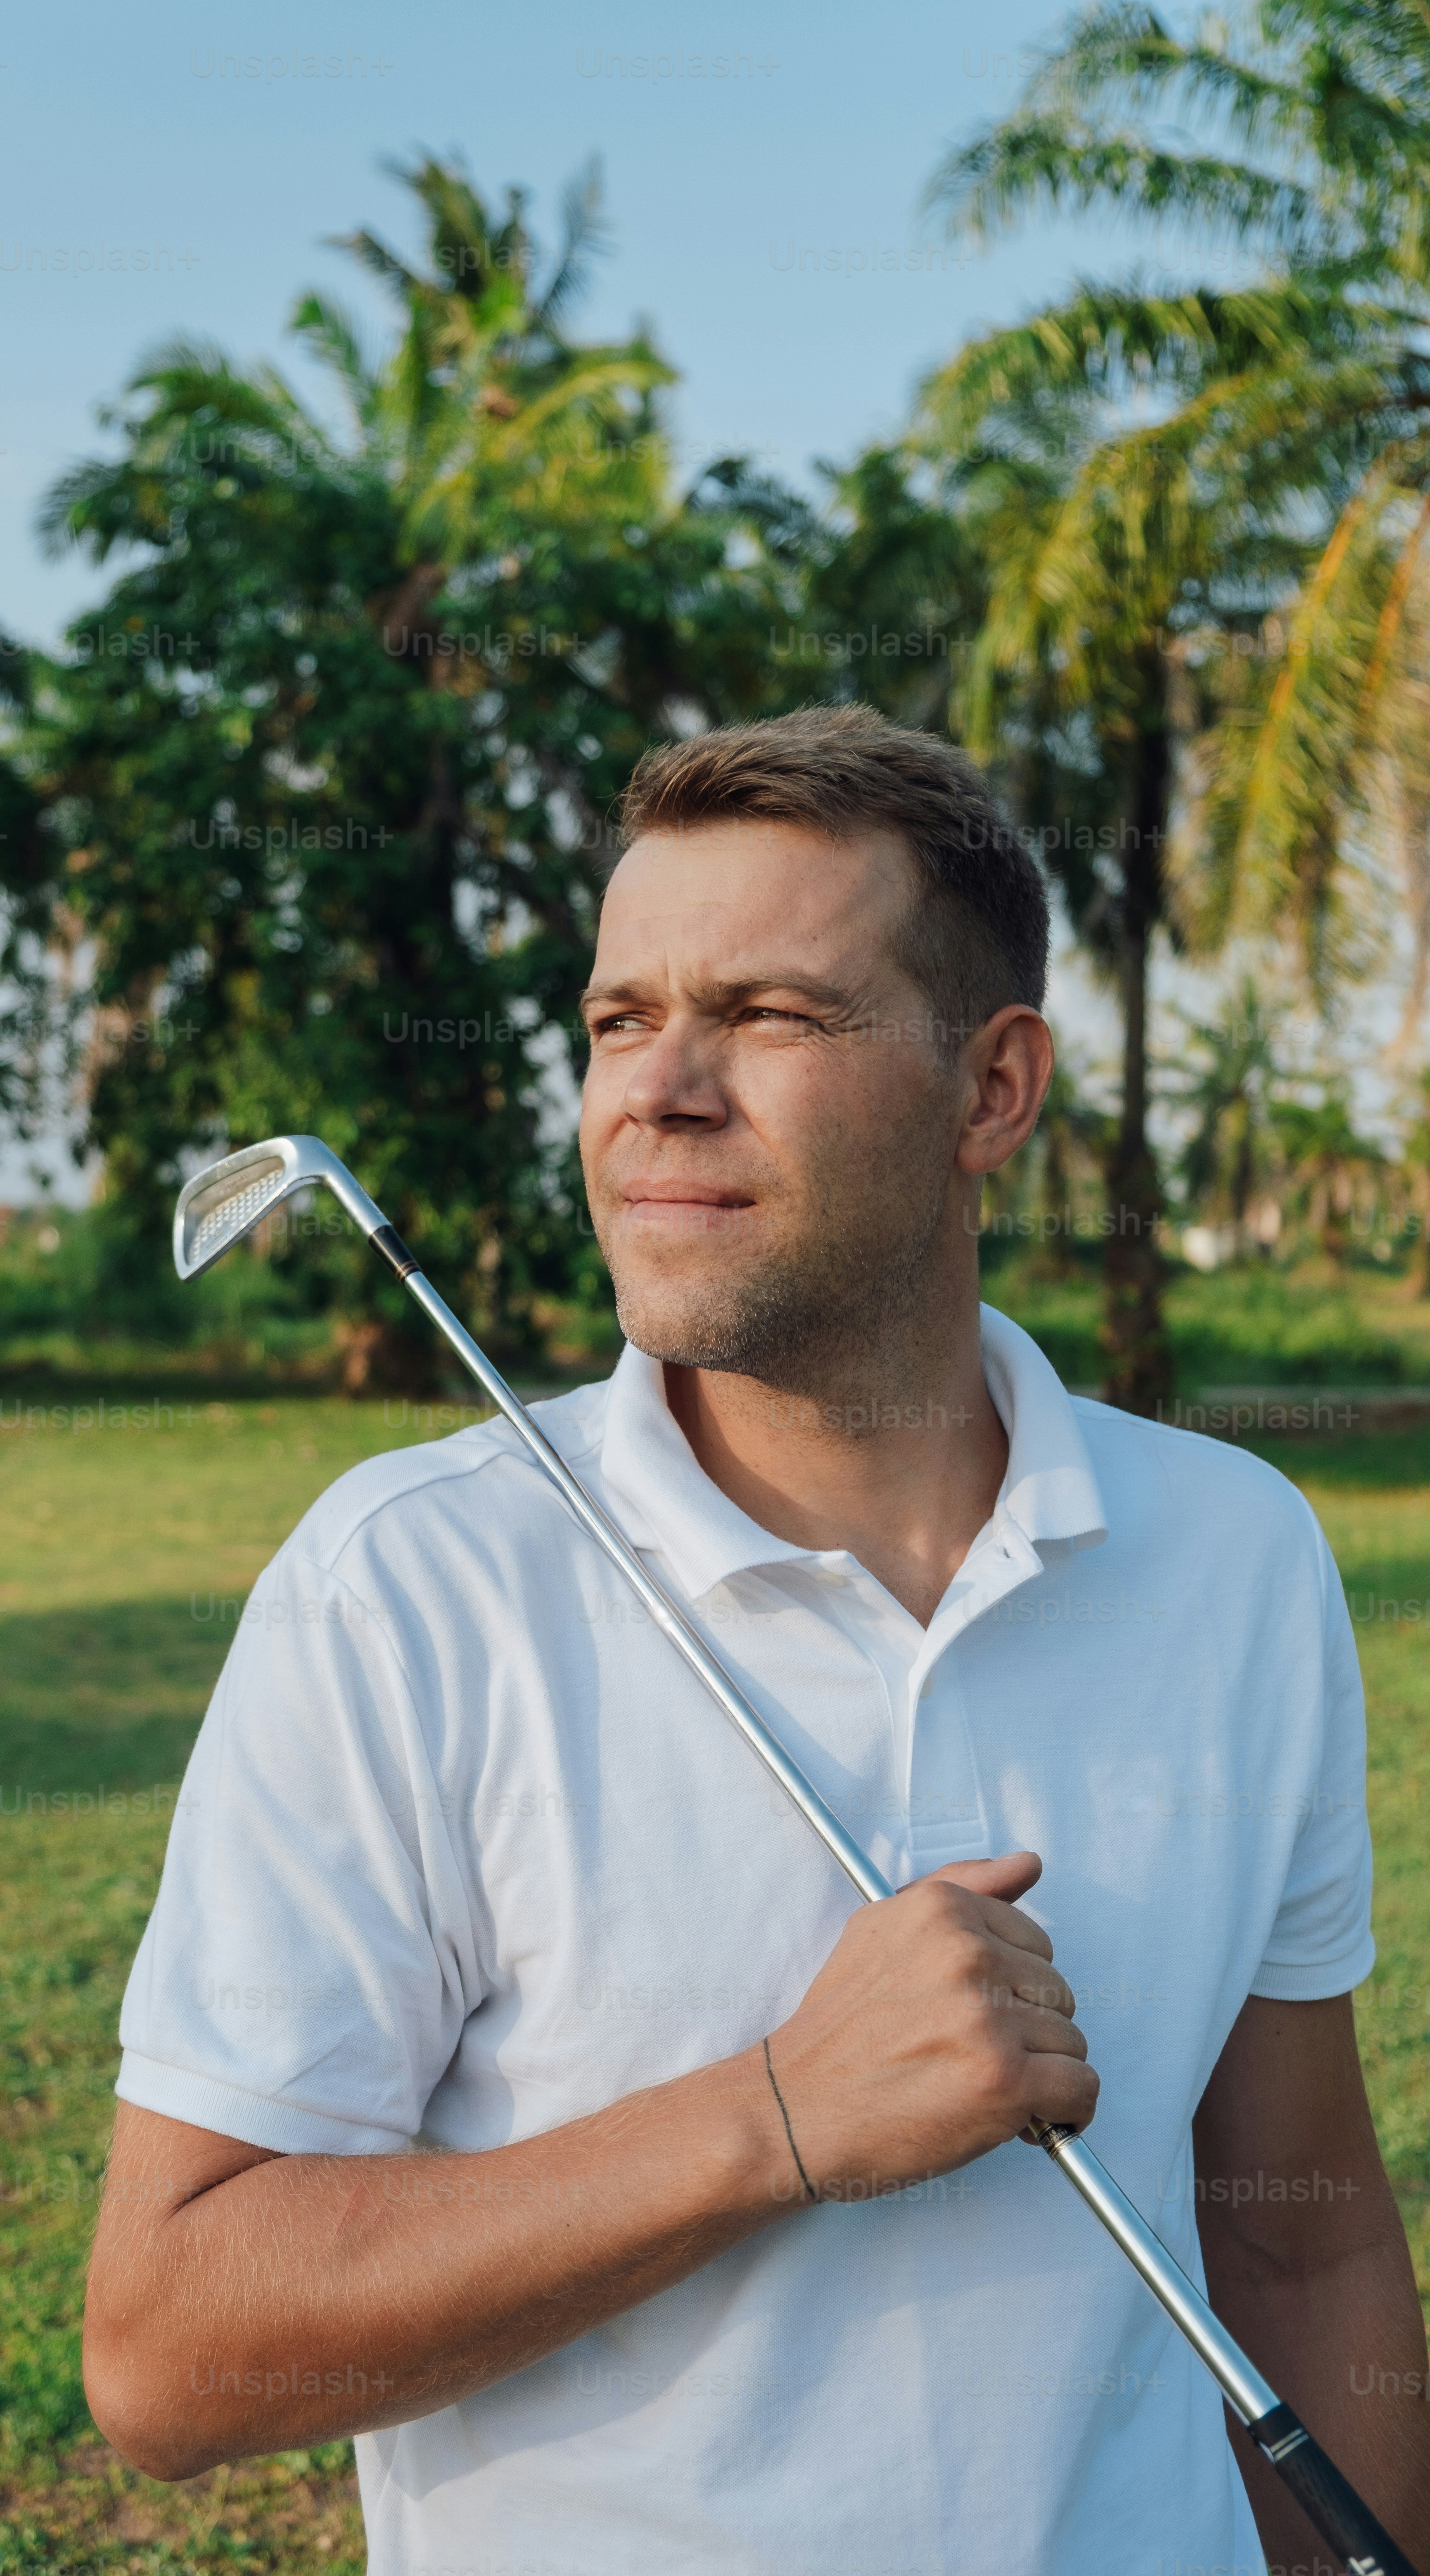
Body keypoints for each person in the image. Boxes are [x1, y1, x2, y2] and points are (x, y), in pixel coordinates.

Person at [83, 706, 1430, 2575]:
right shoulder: (402, 1586)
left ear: (991, 1091)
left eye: (771, 1017)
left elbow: (1299, 2233)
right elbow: (168, 2350)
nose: (659, 1088)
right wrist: (772, 2120)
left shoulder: (1236, 1556)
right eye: (619, 1021)